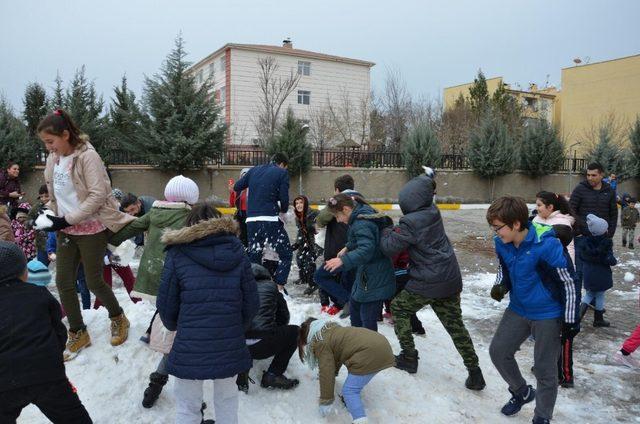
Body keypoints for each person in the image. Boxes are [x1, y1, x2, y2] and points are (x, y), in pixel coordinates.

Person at [37, 109, 134, 360]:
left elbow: (97, 196)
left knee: (93, 280)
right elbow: (56, 194)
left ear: (66, 134)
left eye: (51, 141)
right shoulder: (54, 158)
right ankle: (78, 331)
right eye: (45, 143)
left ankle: (118, 316)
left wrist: (65, 219)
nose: (49, 147)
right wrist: (47, 214)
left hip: (91, 228)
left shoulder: (87, 156)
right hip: (65, 229)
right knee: (63, 282)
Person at [157, 202, 259, 424]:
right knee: (227, 400)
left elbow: (166, 305)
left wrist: (178, 326)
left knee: (187, 407)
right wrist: (234, 328)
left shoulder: (177, 254)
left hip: (189, 345)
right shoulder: (238, 252)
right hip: (229, 344)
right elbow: (252, 303)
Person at [379, 174, 484, 390]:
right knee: (456, 326)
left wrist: (385, 229)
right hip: (449, 278)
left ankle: (409, 357)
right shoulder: (433, 212)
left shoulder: (410, 222)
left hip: (428, 280)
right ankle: (475, 373)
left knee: (398, 308)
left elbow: (389, 247)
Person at [487, 196, 579, 424]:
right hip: (518, 308)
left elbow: (568, 282)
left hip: (548, 314)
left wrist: (569, 321)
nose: (495, 232)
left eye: (498, 227)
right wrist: (501, 284)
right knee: (498, 351)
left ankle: (542, 417)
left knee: (545, 370)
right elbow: (504, 268)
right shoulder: (502, 242)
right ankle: (522, 392)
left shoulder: (545, 245)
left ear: (516, 224)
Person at [110, 175, 198, 409]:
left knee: (169, 318)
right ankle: (170, 382)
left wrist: (106, 241)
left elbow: (130, 228)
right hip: (182, 280)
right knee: (180, 331)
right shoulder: (191, 217)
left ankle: (156, 380)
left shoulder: (154, 213)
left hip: (155, 276)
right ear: (191, 198)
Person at [0, 240, 92, 423]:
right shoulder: (39, 295)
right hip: (47, 373)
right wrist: (49, 355)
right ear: (24, 272)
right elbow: (59, 333)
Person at [298, 318, 395, 423]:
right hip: (381, 344)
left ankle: (360, 420)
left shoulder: (320, 341)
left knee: (350, 391)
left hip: (369, 352)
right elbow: (336, 356)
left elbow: (326, 371)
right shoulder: (331, 329)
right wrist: (334, 372)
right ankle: (352, 403)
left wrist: (326, 400)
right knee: (355, 378)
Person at [324, 194, 396, 332]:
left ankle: (369, 349)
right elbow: (364, 239)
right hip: (367, 273)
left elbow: (366, 249)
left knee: (367, 319)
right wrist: (348, 247)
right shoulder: (359, 215)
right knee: (355, 308)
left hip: (375, 276)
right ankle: (358, 343)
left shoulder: (360, 222)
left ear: (345, 209)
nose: (338, 220)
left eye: (337, 216)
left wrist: (342, 260)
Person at [237, 263, 299, 393]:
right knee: (295, 332)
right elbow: (284, 317)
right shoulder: (271, 287)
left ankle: (242, 369)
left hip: (237, 346)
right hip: (263, 345)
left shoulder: (238, 287)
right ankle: (273, 375)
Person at [234, 153, 292, 290]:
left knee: (255, 255)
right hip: (269, 220)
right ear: (282, 164)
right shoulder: (281, 173)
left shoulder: (254, 170)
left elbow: (237, 186)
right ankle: (278, 286)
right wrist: (282, 208)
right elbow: (284, 199)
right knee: (286, 254)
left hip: (251, 220)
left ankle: (255, 286)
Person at [314, 175, 361, 317]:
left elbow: (321, 220)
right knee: (348, 280)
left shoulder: (338, 201)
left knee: (321, 276)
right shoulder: (361, 199)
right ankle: (347, 306)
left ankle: (347, 302)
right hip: (356, 250)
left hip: (338, 249)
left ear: (337, 189)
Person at [569, 162, 617, 289]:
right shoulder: (580, 189)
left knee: (598, 272)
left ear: (601, 175)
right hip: (582, 238)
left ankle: (595, 303)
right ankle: (577, 304)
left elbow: (613, 214)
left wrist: (609, 234)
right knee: (579, 272)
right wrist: (583, 227)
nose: (590, 178)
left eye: (593, 175)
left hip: (601, 239)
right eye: (588, 175)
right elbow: (571, 210)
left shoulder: (609, 191)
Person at [578, 214, 616, 328]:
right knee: (597, 295)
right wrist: (611, 259)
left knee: (591, 294)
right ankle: (596, 319)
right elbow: (611, 261)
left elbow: (581, 257)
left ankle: (582, 317)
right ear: (603, 231)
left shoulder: (586, 243)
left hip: (589, 273)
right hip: (601, 275)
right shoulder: (605, 244)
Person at [47, 232, 91, 311]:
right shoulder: (53, 233)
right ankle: (73, 311)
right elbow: (51, 248)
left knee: (83, 287)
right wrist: (53, 255)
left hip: (79, 264)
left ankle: (86, 310)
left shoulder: (72, 227)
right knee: (69, 288)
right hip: (65, 265)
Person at [533, 191, 576, 262]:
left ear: (550, 207)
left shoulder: (563, 223)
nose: (536, 208)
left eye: (539, 205)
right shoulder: (536, 219)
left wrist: (571, 267)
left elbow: (569, 248)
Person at [292, 195, 319, 295]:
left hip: (316, 242)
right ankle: (303, 278)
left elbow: (319, 227)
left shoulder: (314, 213)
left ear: (306, 203)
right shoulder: (298, 217)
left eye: (301, 202)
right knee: (299, 258)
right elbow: (301, 232)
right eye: (296, 203)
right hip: (306, 242)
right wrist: (297, 244)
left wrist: (312, 227)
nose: (298, 205)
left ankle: (313, 283)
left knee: (309, 262)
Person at [27, 185, 52, 265]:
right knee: (42, 267)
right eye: (41, 196)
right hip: (42, 244)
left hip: (57, 243)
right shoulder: (37, 207)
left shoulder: (58, 205)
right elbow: (27, 221)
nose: (44, 199)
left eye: (47, 196)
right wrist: (32, 222)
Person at [229, 168, 250, 247]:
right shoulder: (237, 189)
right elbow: (232, 204)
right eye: (243, 177)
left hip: (250, 214)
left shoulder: (253, 188)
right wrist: (231, 193)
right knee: (241, 235)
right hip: (240, 215)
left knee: (248, 235)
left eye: (246, 177)